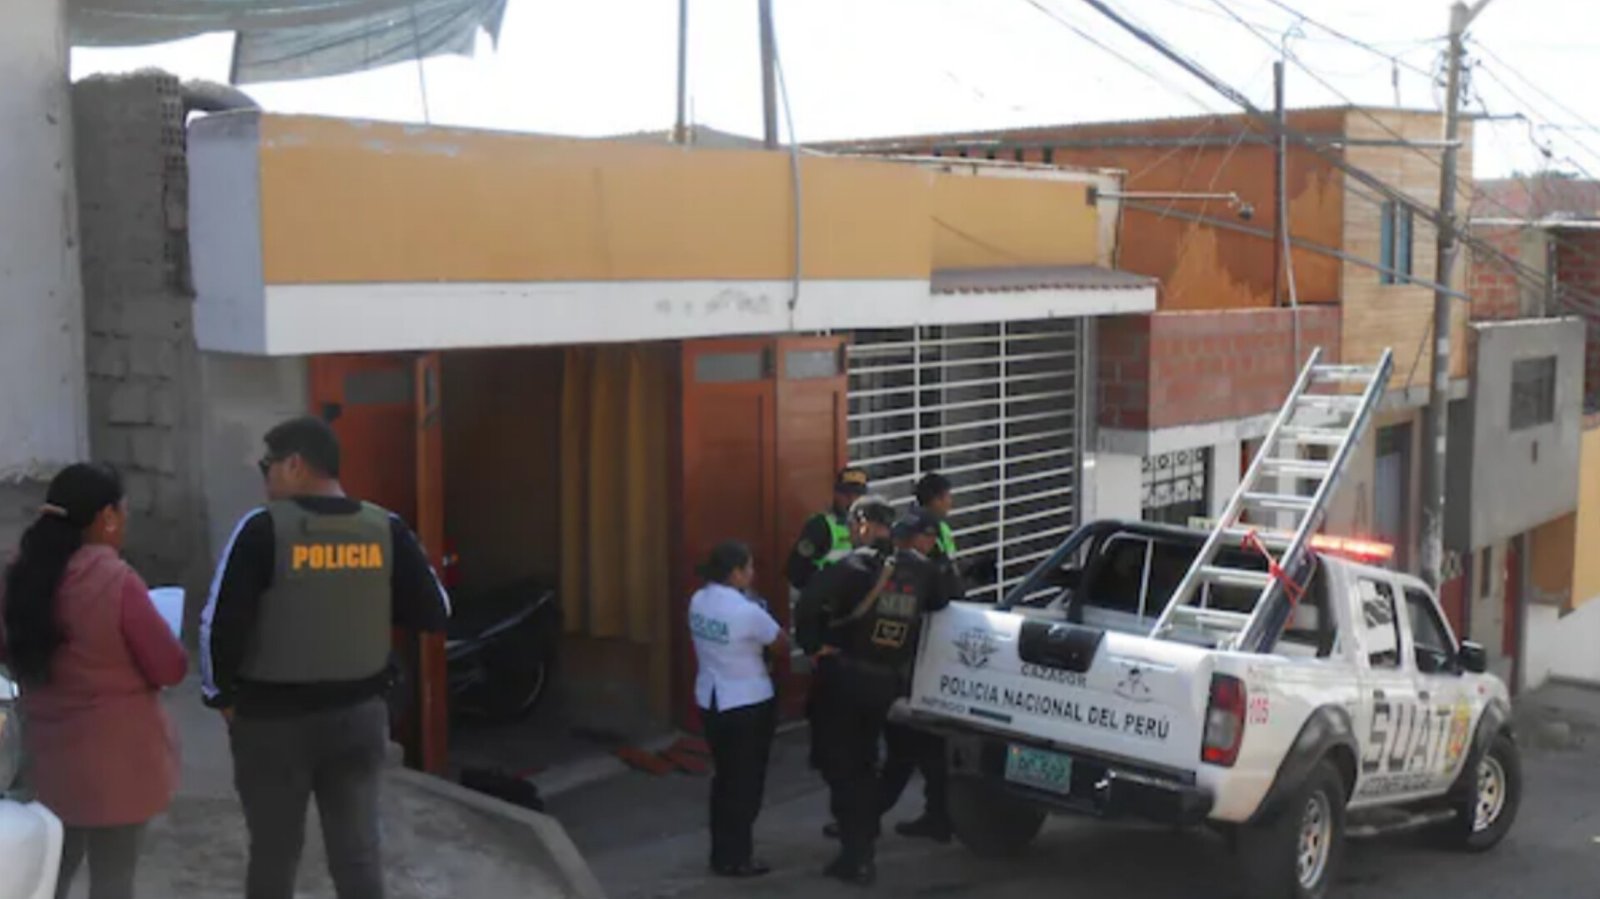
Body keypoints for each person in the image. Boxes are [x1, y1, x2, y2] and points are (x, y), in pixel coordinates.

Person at [201, 417, 450, 899]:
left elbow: (219, 626)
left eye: (267, 466)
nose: (264, 479)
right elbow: (434, 611)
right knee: (357, 855)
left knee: (274, 854)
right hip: (359, 717)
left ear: (294, 465)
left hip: (272, 724)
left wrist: (222, 700)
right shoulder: (386, 528)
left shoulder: (261, 530)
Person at [0, 463, 187, 899]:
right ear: (106, 517)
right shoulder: (116, 580)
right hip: (119, 764)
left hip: (45, 758)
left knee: (48, 879)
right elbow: (169, 667)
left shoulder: (19, 577)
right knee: (113, 883)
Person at [796, 498, 952, 886]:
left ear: (863, 524)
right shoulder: (921, 568)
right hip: (890, 683)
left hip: (845, 682)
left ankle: (857, 855)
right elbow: (944, 599)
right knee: (870, 764)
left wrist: (814, 646)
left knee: (846, 768)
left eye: (853, 525)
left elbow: (808, 604)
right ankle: (863, 841)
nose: (851, 532)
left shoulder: (852, 566)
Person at [688, 541, 782, 878]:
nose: (753, 574)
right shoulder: (747, 611)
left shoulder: (698, 600)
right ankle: (738, 856)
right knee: (745, 784)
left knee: (724, 779)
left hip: (711, 699)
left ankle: (721, 852)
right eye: (749, 567)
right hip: (748, 702)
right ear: (735, 573)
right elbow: (779, 642)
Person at [876, 508, 962, 843]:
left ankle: (864, 818)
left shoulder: (932, 570)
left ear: (928, 539)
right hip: (907, 668)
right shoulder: (910, 565)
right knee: (925, 750)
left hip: (917, 670)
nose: (905, 543)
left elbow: (943, 608)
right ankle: (938, 816)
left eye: (913, 537)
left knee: (907, 748)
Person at [784, 466, 870, 594]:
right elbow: (795, 572)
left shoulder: (872, 527)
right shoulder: (820, 526)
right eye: (846, 495)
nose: (852, 500)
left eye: (858, 495)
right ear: (836, 494)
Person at [914, 472, 958, 562]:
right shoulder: (921, 532)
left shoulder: (942, 527)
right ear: (936, 500)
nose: (950, 502)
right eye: (948, 496)